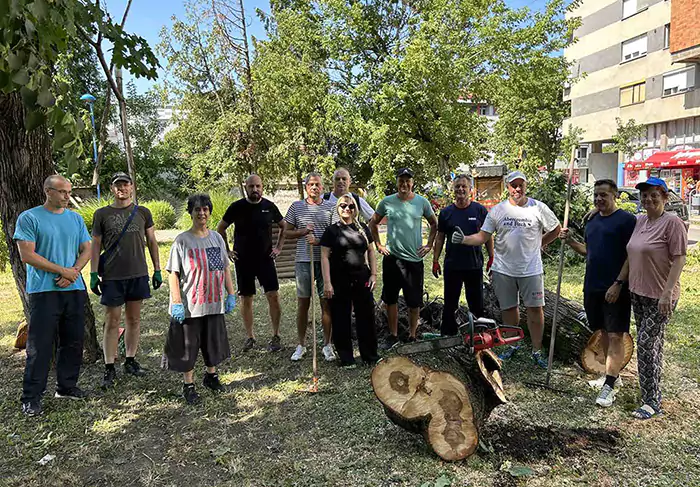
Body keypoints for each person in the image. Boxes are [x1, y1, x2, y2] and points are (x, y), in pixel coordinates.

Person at [457, 171, 560, 367]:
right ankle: (514, 344)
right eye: (514, 185)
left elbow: (555, 229)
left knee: (535, 309)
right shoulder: (497, 210)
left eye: (521, 185)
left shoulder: (538, 207)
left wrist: (540, 243)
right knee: (509, 308)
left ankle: (537, 350)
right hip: (503, 269)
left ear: (526, 186)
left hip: (531, 268)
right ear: (507, 187)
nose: (517, 189)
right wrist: (464, 239)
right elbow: (482, 236)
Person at [14, 175, 92, 416]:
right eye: (62, 192)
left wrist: (74, 272)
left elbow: (87, 248)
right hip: (44, 291)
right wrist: (62, 270)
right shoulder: (29, 218)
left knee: (73, 340)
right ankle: (31, 397)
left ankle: (66, 387)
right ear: (48, 191)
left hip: (73, 288)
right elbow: (27, 255)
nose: (68, 196)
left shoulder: (75, 219)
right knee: (40, 345)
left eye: (69, 191)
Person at [560, 179, 636, 407]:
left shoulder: (626, 221)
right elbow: (588, 251)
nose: (599, 199)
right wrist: (571, 241)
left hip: (615, 287)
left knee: (615, 335)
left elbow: (631, 255)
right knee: (602, 332)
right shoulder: (592, 222)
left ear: (615, 195)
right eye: (596, 195)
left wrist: (618, 283)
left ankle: (609, 386)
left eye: (604, 195)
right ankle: (612, 375)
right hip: (592, 286)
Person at [90, 172, 162, 389]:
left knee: (134, 320)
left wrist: (157, 269)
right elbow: (95, 245)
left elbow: (151, 241)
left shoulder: (142, 212)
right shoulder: (102, 214)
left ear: (132, 187)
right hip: (112, 276)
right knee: (112, 321)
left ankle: (130, 360)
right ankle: (109, 366)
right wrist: (93, 273)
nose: (122, 188)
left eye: (125, 184)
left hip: (137, 273)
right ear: (112, 189)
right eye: (117, 185)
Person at [163, 194, 237, 405]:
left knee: (212, 342)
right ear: (191, 213)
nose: (201, 213)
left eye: (205, 209)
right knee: (189, 346)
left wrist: (230, 294)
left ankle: (211, 377)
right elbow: (173, 273)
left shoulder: (216, 238)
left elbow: (224, 268)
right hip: (190, 304)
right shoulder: (182, 241)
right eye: (197, 209)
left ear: (209, 212)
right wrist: (177, 302)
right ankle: (189, 385)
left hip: (213, 301)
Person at [625, 177, 687, 420]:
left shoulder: (672, 223)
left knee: (646, 344)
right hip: (638, 293)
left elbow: (680, 259)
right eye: (644, 195)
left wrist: (667, 293)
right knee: (653, 345)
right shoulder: (640, 221)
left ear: (665, 197)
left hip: (660, 296)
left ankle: (652, 402)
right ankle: (650, 394)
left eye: (654, 195)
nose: (648, 199)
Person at [368, 167, 438, 347]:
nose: (404, 184)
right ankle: (393, 335)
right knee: (390, 299)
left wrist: (429, 245)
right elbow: (373, 222)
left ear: (412, 183)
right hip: (392, 259)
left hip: (414, 260)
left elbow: (434, 224)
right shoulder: (387, 202)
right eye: (401, 180)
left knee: (414, 301)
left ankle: (413, 335)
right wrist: (378, 244)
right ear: (397, 182)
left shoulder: (422, 203)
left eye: (408, 180)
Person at [217, 174, 286, 353]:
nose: (255, 190)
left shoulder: (269, 207)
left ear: (262, 187)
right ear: (245, 187)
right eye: (251, 187)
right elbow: (221, 228)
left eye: (258, 186)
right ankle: (250, 337)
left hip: (265, 259)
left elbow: (284, 226)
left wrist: (278, 247)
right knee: (246, 298)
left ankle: (276, 335)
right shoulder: (236, 207)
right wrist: (227, 250)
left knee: (273, 296)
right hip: (243, 260)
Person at [320, 194, 380, 366]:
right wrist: (327, 282)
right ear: (337, 208)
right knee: (341, 317)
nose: (347, 209)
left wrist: (374, 274)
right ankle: (346, 358)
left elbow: (371, 251)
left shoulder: (362, 228)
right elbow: (324, 256)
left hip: (362, 277)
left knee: (366, 316)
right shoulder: (331, 231)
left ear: (355, 209)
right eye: (343, 205)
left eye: (351, 206)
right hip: (339, 279)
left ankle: (370, 355)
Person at [432, 175, 494, 335]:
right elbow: (440, 238)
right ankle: (448, 334)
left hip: (474, 265)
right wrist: (435, 260)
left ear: (470, 190)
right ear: (453, 189)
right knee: (450, 303)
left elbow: (487, 236)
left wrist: (492, 257)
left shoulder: (479, 210)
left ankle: (479, 334)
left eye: (464, 186)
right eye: (457, 186)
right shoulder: (446, 213)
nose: (460, 189)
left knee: (476, 303)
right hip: (452, 265)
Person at [284, 172, 335, 362]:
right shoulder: (296, 207)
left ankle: (327, 345)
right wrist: (303, 231)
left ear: (323, 187)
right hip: (304, 261)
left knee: (326, 303)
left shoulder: (331, 208)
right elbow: (287, 232)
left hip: (324, 262)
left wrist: (318, 240)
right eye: (311, 184)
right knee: (303, 303)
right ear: (306, 187)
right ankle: (301, 345)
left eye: (318, 184)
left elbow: (336, 236)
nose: (314, 187)